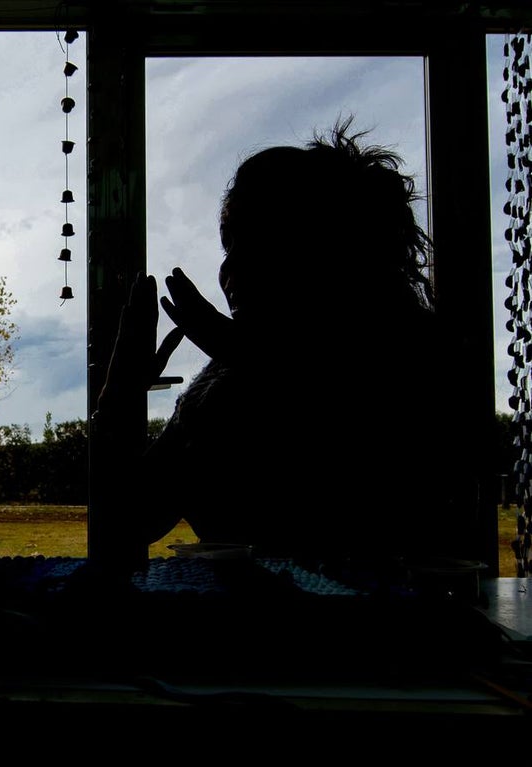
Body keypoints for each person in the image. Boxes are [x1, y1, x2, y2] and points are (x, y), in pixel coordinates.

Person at [96, 117, 476, 568]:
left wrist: (252, 359)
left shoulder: (417, 357)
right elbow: (129, 517)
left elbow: (391, 499)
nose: (229, 270)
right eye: (228, 246)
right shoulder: (218, 386)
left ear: (330, 247)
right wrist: (120, 390)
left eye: (258, 241)